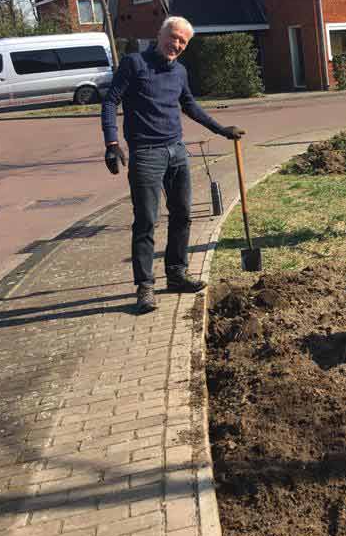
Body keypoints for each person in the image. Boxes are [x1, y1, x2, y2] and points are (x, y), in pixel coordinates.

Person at [102, 16, 245, 313]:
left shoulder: (179, 71)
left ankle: (177, 274)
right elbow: (109, 102)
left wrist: (221, 130)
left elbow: (189, 105)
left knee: (182, 215)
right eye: (173, 37)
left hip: (176, 152)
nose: (176, 44)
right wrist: (112, 144)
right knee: (146, 221)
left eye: (183, 41)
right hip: (146, 154)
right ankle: (145, 287)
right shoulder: (134, 63)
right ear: (160, 34)